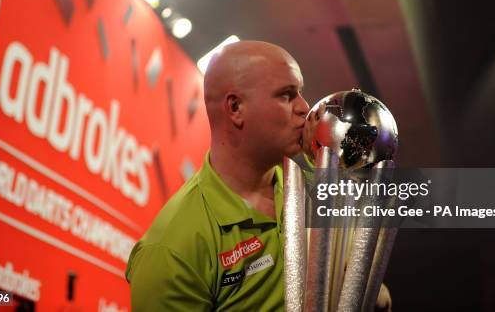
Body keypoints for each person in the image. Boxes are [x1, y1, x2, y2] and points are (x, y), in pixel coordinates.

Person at [125, 41, 392, 311]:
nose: (304, 107)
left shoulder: (315, 191)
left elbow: (356, 280)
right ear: (235, 108)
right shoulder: (172, 248)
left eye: (300, 92)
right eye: (287, 95)